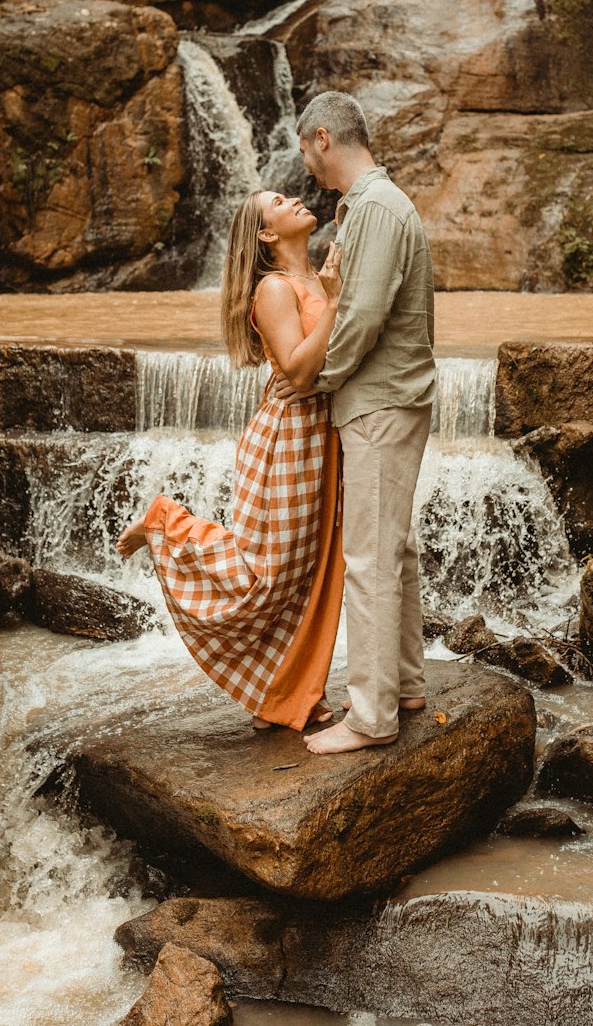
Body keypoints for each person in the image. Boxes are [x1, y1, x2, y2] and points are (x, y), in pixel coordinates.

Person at [115, 189, 344, 733]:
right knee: (266, 576)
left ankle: (284, 693)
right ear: (266, 235)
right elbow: (299, 371)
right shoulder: (273, 288)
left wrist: (334, 295)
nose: (294, 200)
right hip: (289, 440)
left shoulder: (321, 275)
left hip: (325, 436)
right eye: (279, 202)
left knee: (307, 575)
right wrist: (335, 305)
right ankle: (165, 524)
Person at [280, 91, 436, 756]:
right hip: (397, 397)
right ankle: (405, 684)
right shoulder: (381, 203)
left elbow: (363, 316)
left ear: (322, 138)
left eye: (305, 151)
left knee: (369, 560)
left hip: (379, 401)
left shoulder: (374, 208)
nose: (306, 169)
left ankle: (373, 717)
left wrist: (318, 380)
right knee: (395, 550)